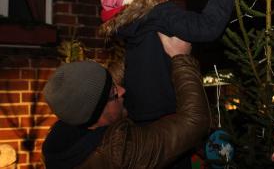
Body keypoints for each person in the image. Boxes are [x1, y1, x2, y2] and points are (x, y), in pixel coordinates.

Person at [98, 0, 249, 125]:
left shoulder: (131, 30)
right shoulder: (159, 13)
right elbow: (207, 26)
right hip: (172, 114)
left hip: (141, 117)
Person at [42, 35, 211, 169]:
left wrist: (138, 41)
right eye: (115, 93)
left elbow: (102, 88)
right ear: (98, 115)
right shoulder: (118, 154)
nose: (122, 91)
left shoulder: (68, 133)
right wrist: (181, 57)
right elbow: (195, 122)